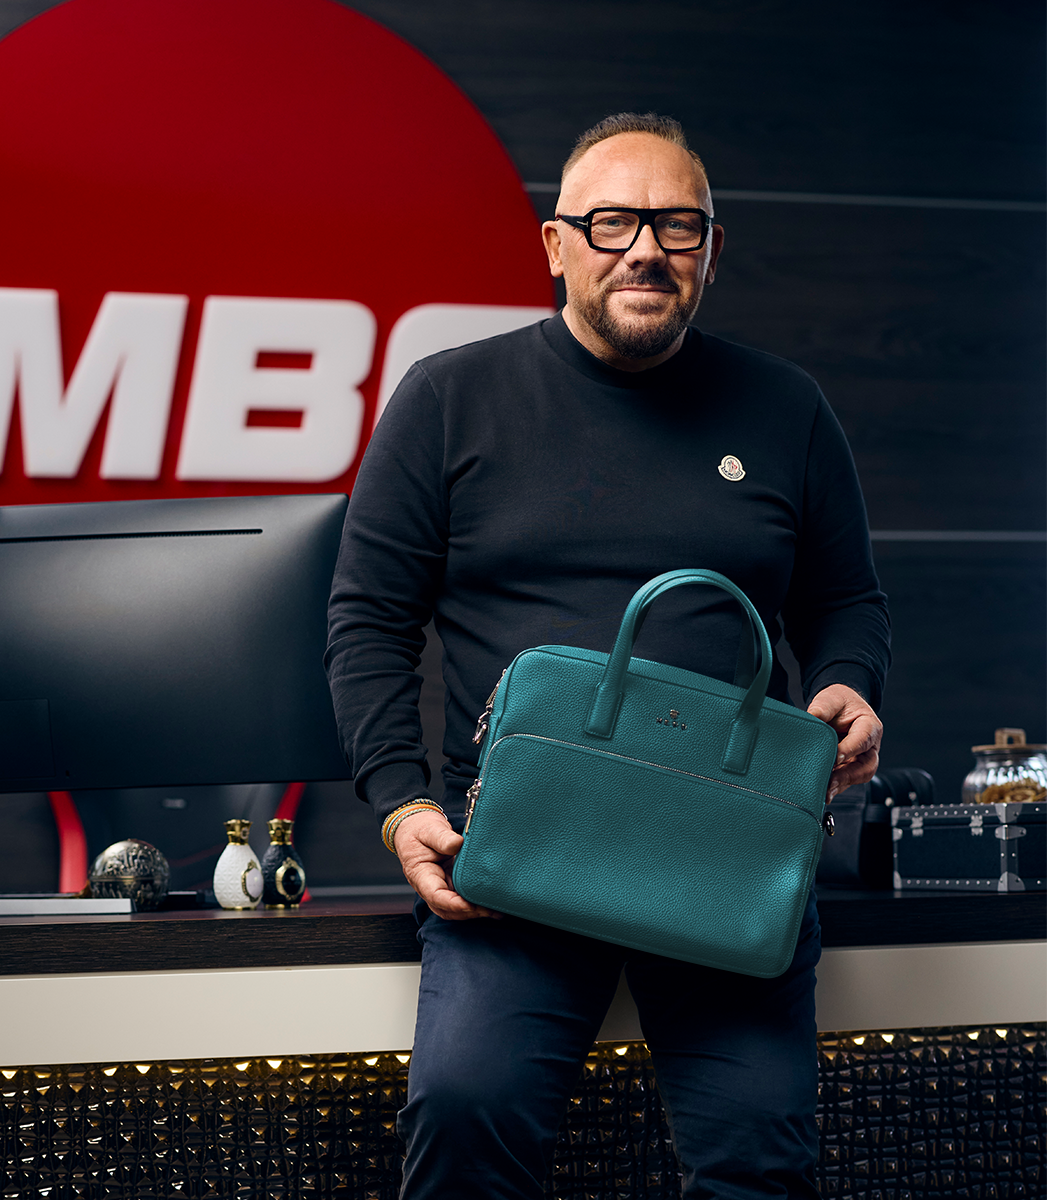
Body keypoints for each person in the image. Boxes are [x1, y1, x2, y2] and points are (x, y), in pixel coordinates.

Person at [325, 112, 890, 1199]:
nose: (645, 248)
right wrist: (400, 805)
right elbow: (367, 621)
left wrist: (847, 685)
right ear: (555, 244)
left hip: (730, 857)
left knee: (758, 1156)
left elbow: (847, 599)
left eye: (677, 225)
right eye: (613, 221)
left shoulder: (787, 408)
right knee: (466, 1114)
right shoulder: (447, 398)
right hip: (514, 865)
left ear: (711, 250)